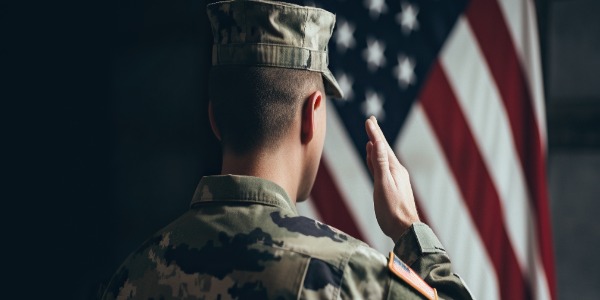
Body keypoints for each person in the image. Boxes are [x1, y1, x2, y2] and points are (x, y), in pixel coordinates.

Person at [102, 0, 474, 299]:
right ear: (312, 115)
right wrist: (411, 231)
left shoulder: (130, 278)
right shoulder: (350, 280)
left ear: (214, 117)